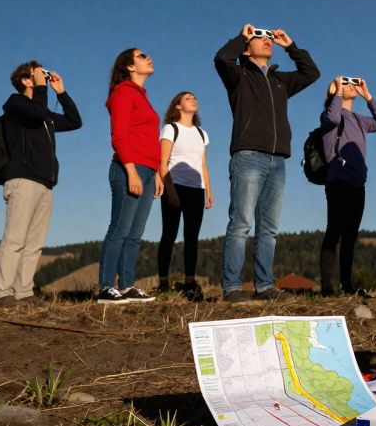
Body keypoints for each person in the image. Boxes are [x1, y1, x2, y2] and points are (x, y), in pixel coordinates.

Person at [214, 24, 320, 302]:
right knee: (241, 225)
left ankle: (264, 286)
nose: (266, 41)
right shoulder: (238, 76)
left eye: (267, 38)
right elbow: (221, 58)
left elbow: (312, 73)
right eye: (259, 38)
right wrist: (242, 36)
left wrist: (290, 46)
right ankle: (233, 288)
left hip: (278, 160)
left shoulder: (280, 81)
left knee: (269, 229)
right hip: (248, 155)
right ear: (247, 50)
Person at [0, 61, 82, 306]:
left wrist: (61, 92)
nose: (44, 76)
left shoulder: (45, 116)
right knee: (15, 239)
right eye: (39, 73)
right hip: (22, 179)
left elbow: (75, 122)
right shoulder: (15, 104)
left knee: (34, 243)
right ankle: (2, 293)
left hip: (45, 182)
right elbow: (35, 113)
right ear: (25, 79)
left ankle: (24, 292)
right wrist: (42, 88)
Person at [97, 48, 162, 305]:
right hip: (129, 169)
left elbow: (148, 140)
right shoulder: (123, 92)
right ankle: (105, 287)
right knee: (119, 229)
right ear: (129, 67)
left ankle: (126, 286)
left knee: (135, 233)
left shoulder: (143, 97)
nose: (148, 57)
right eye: (141, 55)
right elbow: (120, 136)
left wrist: (156, 172)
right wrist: (131, 169)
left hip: (148, 171)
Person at [317, 76, 376, 297]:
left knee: (351, 235)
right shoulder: (329, 115)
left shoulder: (359, 119)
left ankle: (347, 285)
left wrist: (368, 96)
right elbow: (334, 118)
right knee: (334, 231)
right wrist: (336, 92)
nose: (351, 84)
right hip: (338, 181)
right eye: (345, 82)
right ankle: (327, 286)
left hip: (357, 183)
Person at [157, 91, 213, 300]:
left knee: (192, 236)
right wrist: (170, 190)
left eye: (195, 98)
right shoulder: (170, 129)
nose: (194, 100)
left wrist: (208, 189)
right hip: (175, 185)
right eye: (188, 98)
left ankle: (190, 282)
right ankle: (163, 282)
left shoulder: (201, 133)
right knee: (169, 234)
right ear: (178, 106)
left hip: (196, 190)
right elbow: (163, 162)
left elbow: (203, 163)